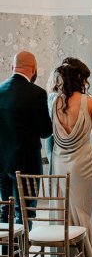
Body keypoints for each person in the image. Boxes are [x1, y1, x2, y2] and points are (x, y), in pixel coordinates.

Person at [48, 57, 92, 257]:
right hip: (83, 163)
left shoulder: (53, 102)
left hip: (60, 162)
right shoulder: (91, 102)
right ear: (80, 78)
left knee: (63, 211)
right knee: (83, 211)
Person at [0, 51, 52, 224]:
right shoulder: (37, 93)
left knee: (5, 210)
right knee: (25, 212)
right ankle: (21, 251)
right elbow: (45, 131)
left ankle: (6, 250)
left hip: (2, 163)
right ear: (34, 69)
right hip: (27, 163)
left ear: (12, 67)